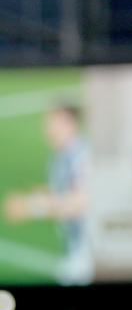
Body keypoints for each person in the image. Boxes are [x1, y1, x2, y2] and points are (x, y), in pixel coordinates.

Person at [3, 102, 92, 285]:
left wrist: (31, 206)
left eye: (53, 122)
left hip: (91, 252)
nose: (48, 129)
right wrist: (32, 197)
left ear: (69, 122)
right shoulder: (58, 157)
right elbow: (59, 192)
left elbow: (82, 202)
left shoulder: (83, 155)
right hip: (75, 247)